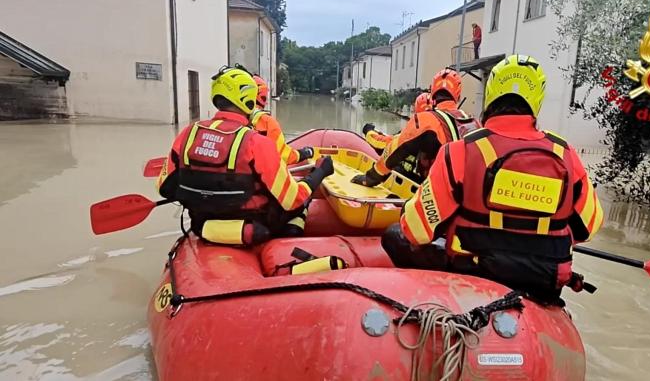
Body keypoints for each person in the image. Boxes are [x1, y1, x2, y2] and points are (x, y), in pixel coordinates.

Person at [381, 55, 604, 306]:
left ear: (491, 93)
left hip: (473, 274)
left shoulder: (461, 151)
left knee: (393, 235)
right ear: (536, 100)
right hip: (544, 281)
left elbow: (416, 231)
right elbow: (590, 227)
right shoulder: (566, 154)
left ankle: (424, 301)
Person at [157, 66, 333, 245]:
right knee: (303, 202)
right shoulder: (257, 143)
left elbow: (163, 187)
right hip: (254, 226)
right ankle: (289, 242)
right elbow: (292, 199)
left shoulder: (188, 134)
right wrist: (319, 173)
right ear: (248, 100)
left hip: (202, 224)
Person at [351, 68, 480, 187]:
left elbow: (393, 150)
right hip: (469, 193)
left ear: (433, 92)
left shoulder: (425, 120)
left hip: (440, 191)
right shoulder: (474, 122)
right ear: (458, 94)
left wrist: (371, 178)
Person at [250, 74, 314, 164]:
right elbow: (283, 155)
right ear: (262, 96)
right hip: (258, 175)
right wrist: (304, 153)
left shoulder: (225, 120)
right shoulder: (266, 122)